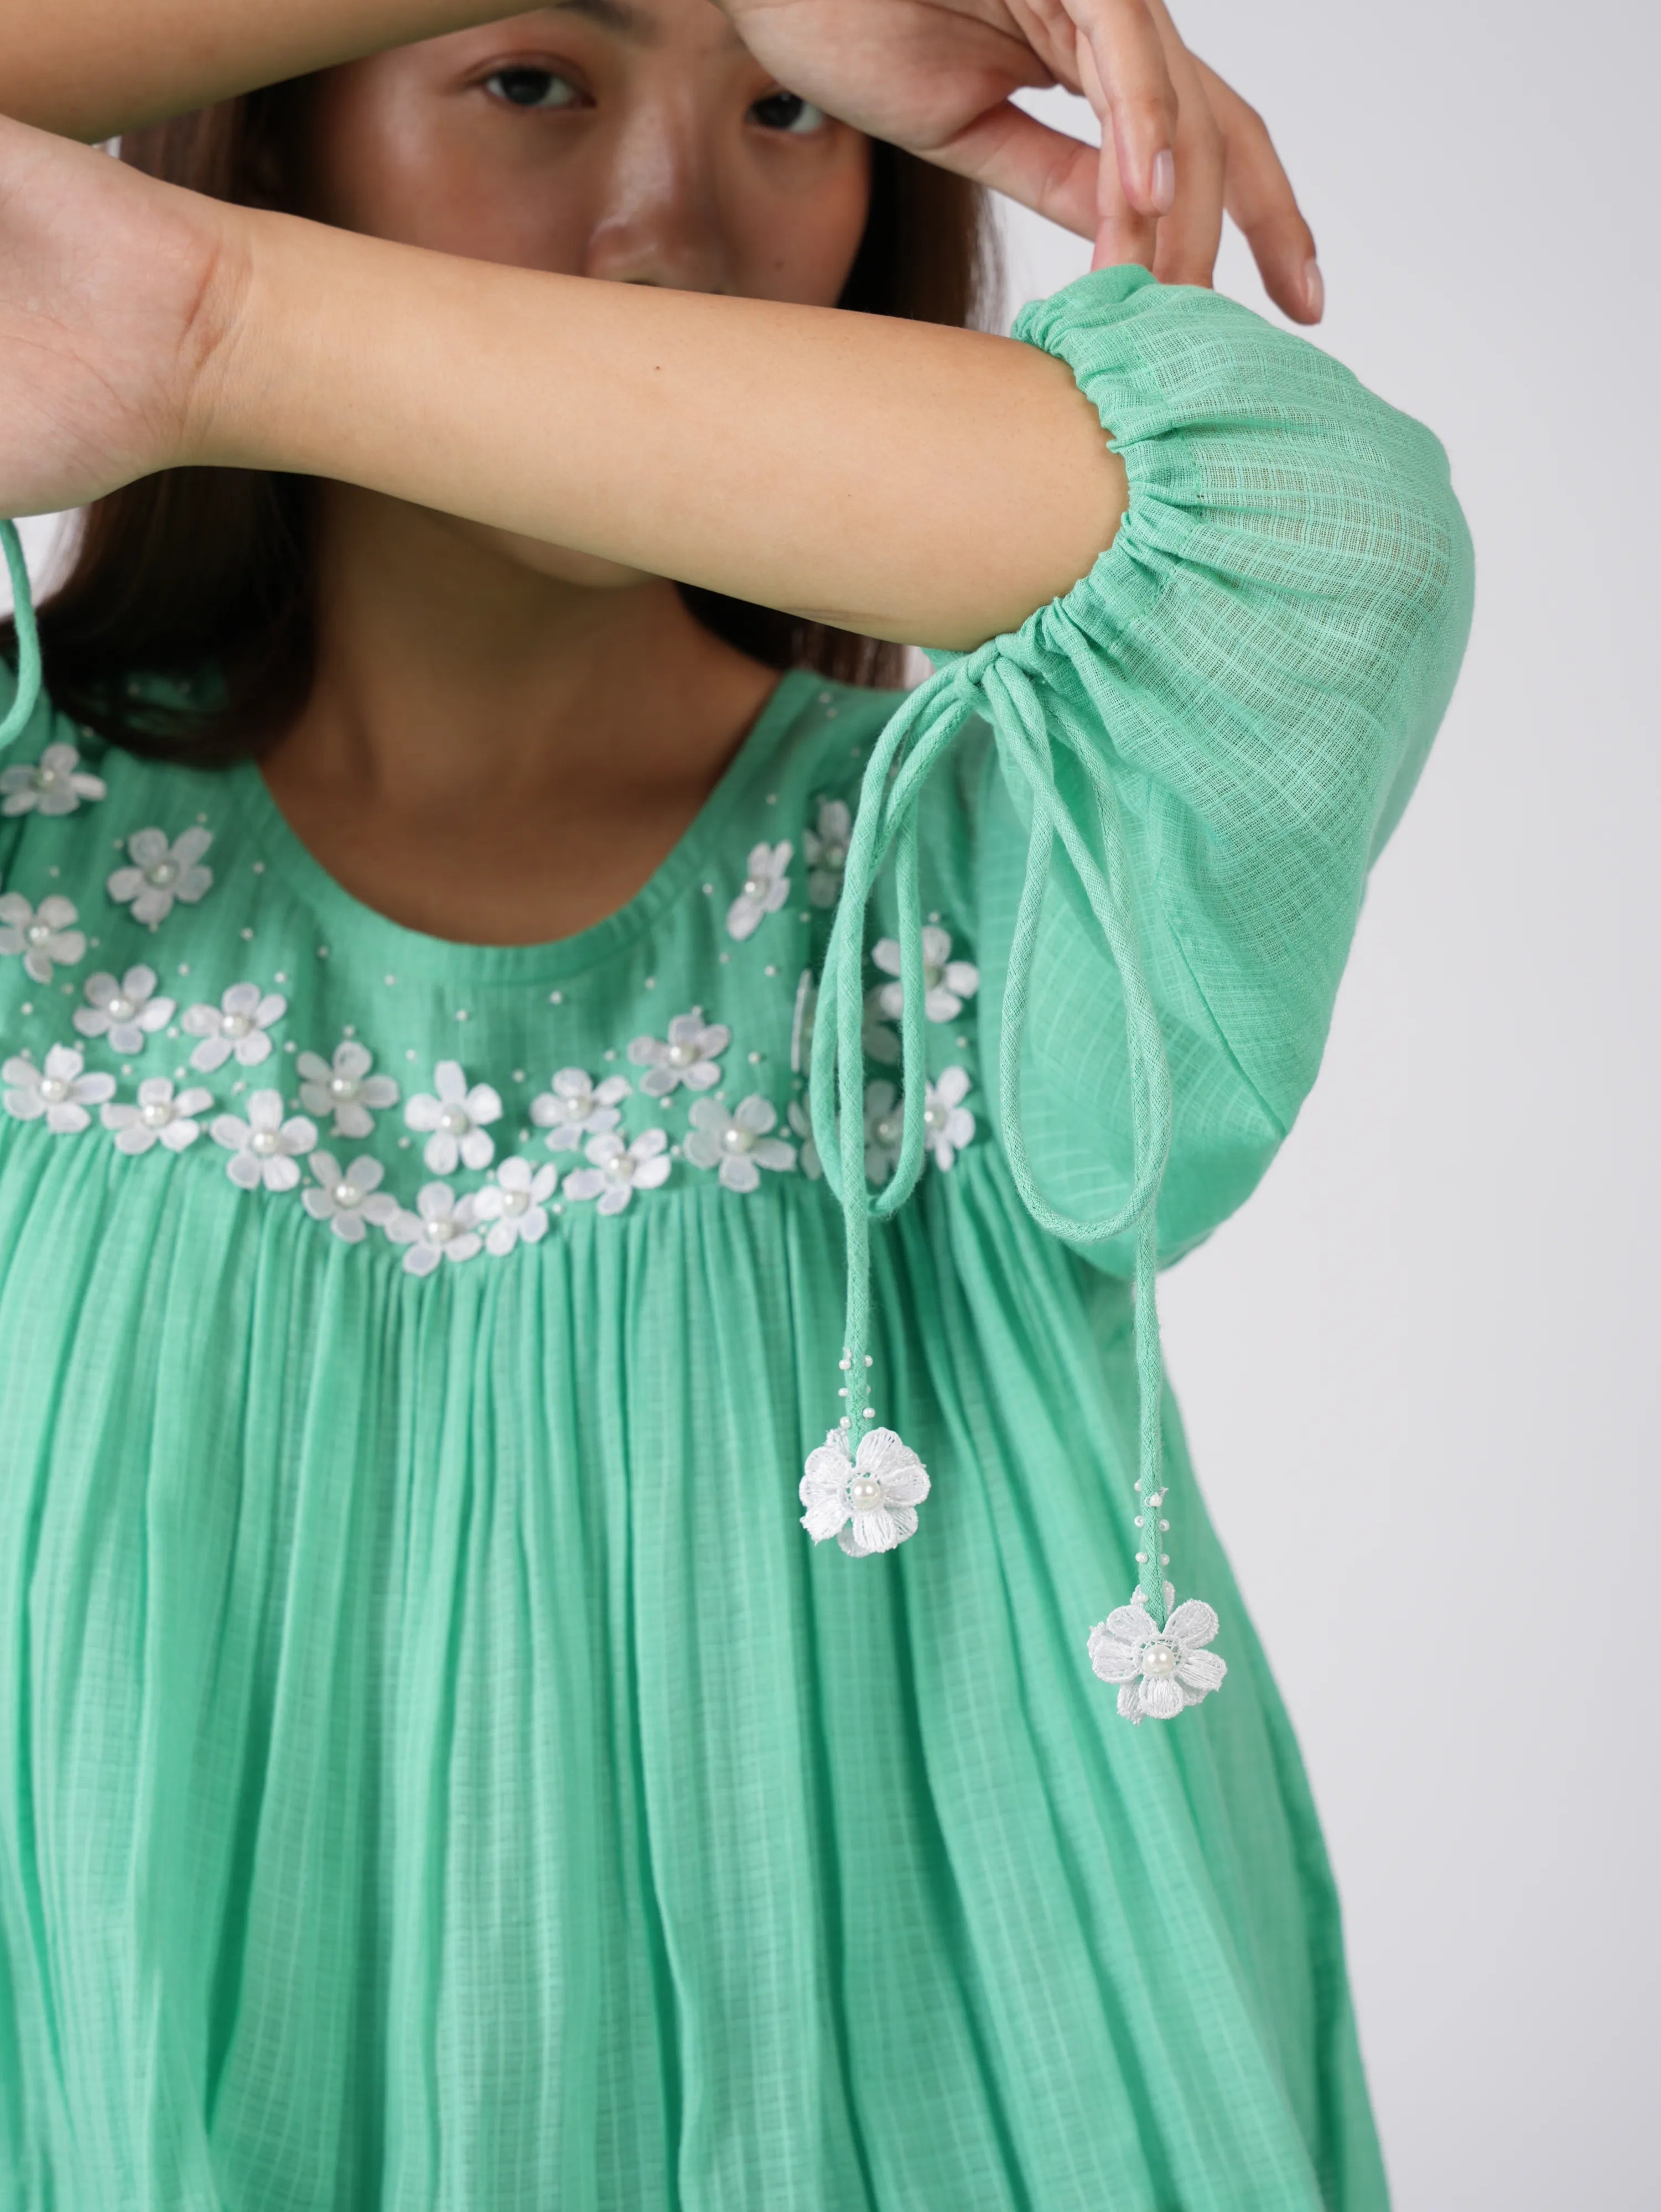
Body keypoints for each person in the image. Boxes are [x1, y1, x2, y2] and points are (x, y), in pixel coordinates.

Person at [0, 4, 1473, 2205]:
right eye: (531, 78)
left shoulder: (975, 877)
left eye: (785, 109)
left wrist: (227, 320)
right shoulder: (27, 847)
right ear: (284, 134)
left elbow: (1315, 533)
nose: (666, 222)